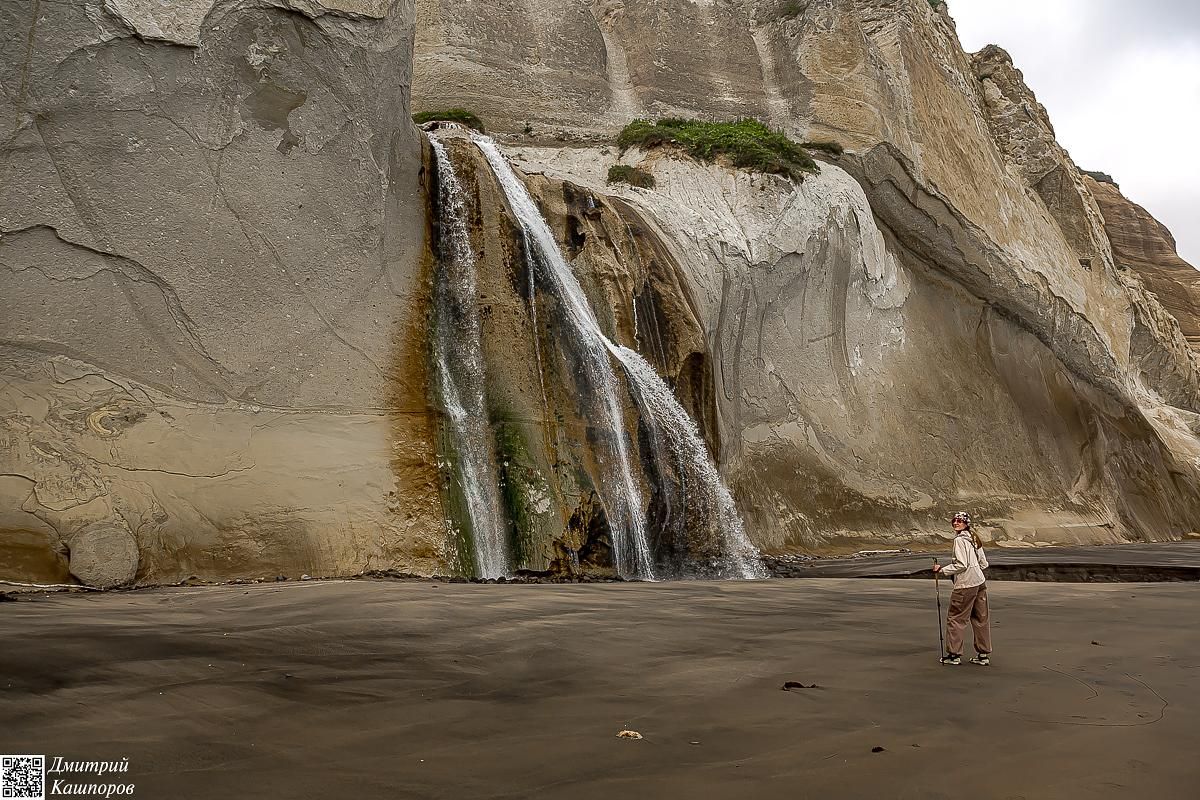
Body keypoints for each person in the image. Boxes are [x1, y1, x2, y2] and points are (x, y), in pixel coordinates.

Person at [932, 512, 991, 666]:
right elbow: (984, 563)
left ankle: (954, 655)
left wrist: (942, 570)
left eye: (960, 521)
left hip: (966, 585)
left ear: (966, 523)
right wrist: (975, 570)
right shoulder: (974, 537)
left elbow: (961, 564)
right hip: (980, 582)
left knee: (956, 618)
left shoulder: (959, 540)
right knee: (980, 618)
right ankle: (983, 655)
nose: (956, 523)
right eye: (955, 521)